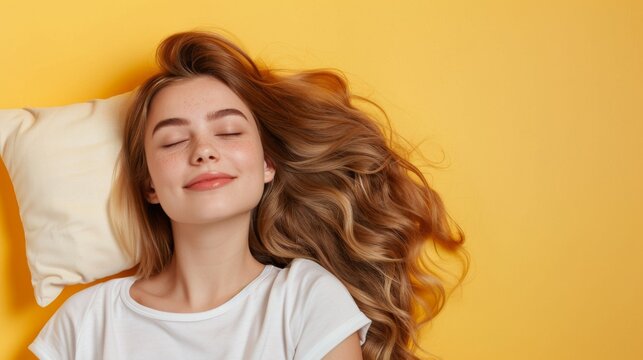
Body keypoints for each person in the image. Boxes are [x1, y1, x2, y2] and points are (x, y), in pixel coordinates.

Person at [29, 31, 467, 359]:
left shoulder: (306, 298)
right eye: (172, 141)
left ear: (266, 166)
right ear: (149, 186)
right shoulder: (86, 322)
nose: (204, 151)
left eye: (228, 131)